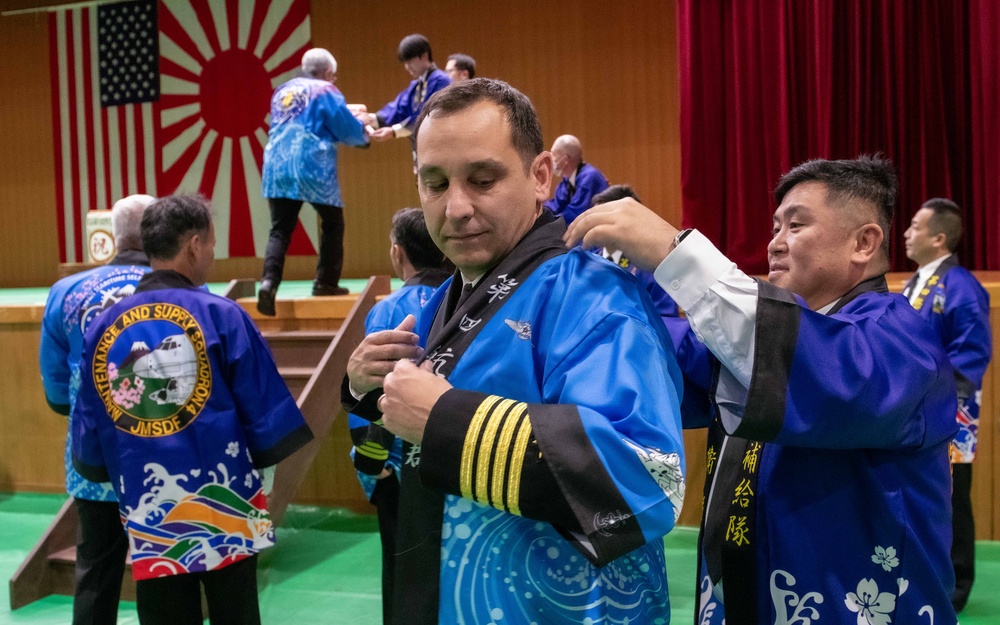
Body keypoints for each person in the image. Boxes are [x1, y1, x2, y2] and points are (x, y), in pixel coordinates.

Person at [344, 78, 686, 624]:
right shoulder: (437, 304)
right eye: (434, 184)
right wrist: (366, 389)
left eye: (482, 180)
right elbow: (413, 438)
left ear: (541, 176)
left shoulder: (593, 293)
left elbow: (650, 478)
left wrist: (447, 419)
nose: (455, 208)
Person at [566, 156, 960, 624]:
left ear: (863, 243)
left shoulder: (900, 339)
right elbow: (670, 355)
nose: (774, 242)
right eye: (775, 227)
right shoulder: (762, 337)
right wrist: (607, 290)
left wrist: (676, 253)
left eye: (796, 225)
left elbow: (829, 375)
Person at [72, 194, 313, 625]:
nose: (212, 254)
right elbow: (265, 415)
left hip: (148, 501)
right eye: (212, 244)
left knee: (163, 613)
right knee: (234, 612)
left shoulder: (103, 326)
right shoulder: (223, 314)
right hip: (224, 497)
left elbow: (91, 426)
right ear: (195, 244)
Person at [40, 194, 155, 625]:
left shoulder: (64, 291)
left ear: (114, 233)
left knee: (96, 565)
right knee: (159, 568)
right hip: (159, 453)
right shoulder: (180, 289)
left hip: (92, 453)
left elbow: (55, 386)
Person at [348, 207, 452, 623]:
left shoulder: (387, 310)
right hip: (459, 455)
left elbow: (371, 393)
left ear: (397, 253)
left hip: (400, 471)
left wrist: (373, 465)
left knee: (401, 569)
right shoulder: (467, 298)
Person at [903, 197, 992, 613]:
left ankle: (957, 584)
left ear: (939, 238)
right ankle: (925, 574)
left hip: (950, 409)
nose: (907, 232)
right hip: (913, 405)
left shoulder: (961, 286)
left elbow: (973, 352)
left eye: (916, 226)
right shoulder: (912, 283)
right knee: (919, 488)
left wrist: (928, 387)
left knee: (952, 495)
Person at [260, 48, 370, 314]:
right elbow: (343, 124)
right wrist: (364, 137)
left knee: (280, 230)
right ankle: (325, 282)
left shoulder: (283, 90)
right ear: (325, 73)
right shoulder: (325, 90)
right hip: (310, 164)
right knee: (332, 223)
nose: (333, 80)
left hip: (277, 163)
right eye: (333, 75)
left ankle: (268, 283)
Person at [358, 34, 451, 160]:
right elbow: (397, 109)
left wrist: (393, 131)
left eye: (410, 61)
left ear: (424, 56)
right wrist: (370, 118)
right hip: (423, 151)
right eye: (405, 63)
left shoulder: (441, 81)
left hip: (441, 150)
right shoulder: (416, 85)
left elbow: (426, 118)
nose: (407, 67)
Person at [543, 134, 609, 225]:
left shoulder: (589, 177)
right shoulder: (567, 181)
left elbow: (575, 214)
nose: (551, 159)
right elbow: (555, 207)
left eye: (553, 155)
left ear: (565, 159)